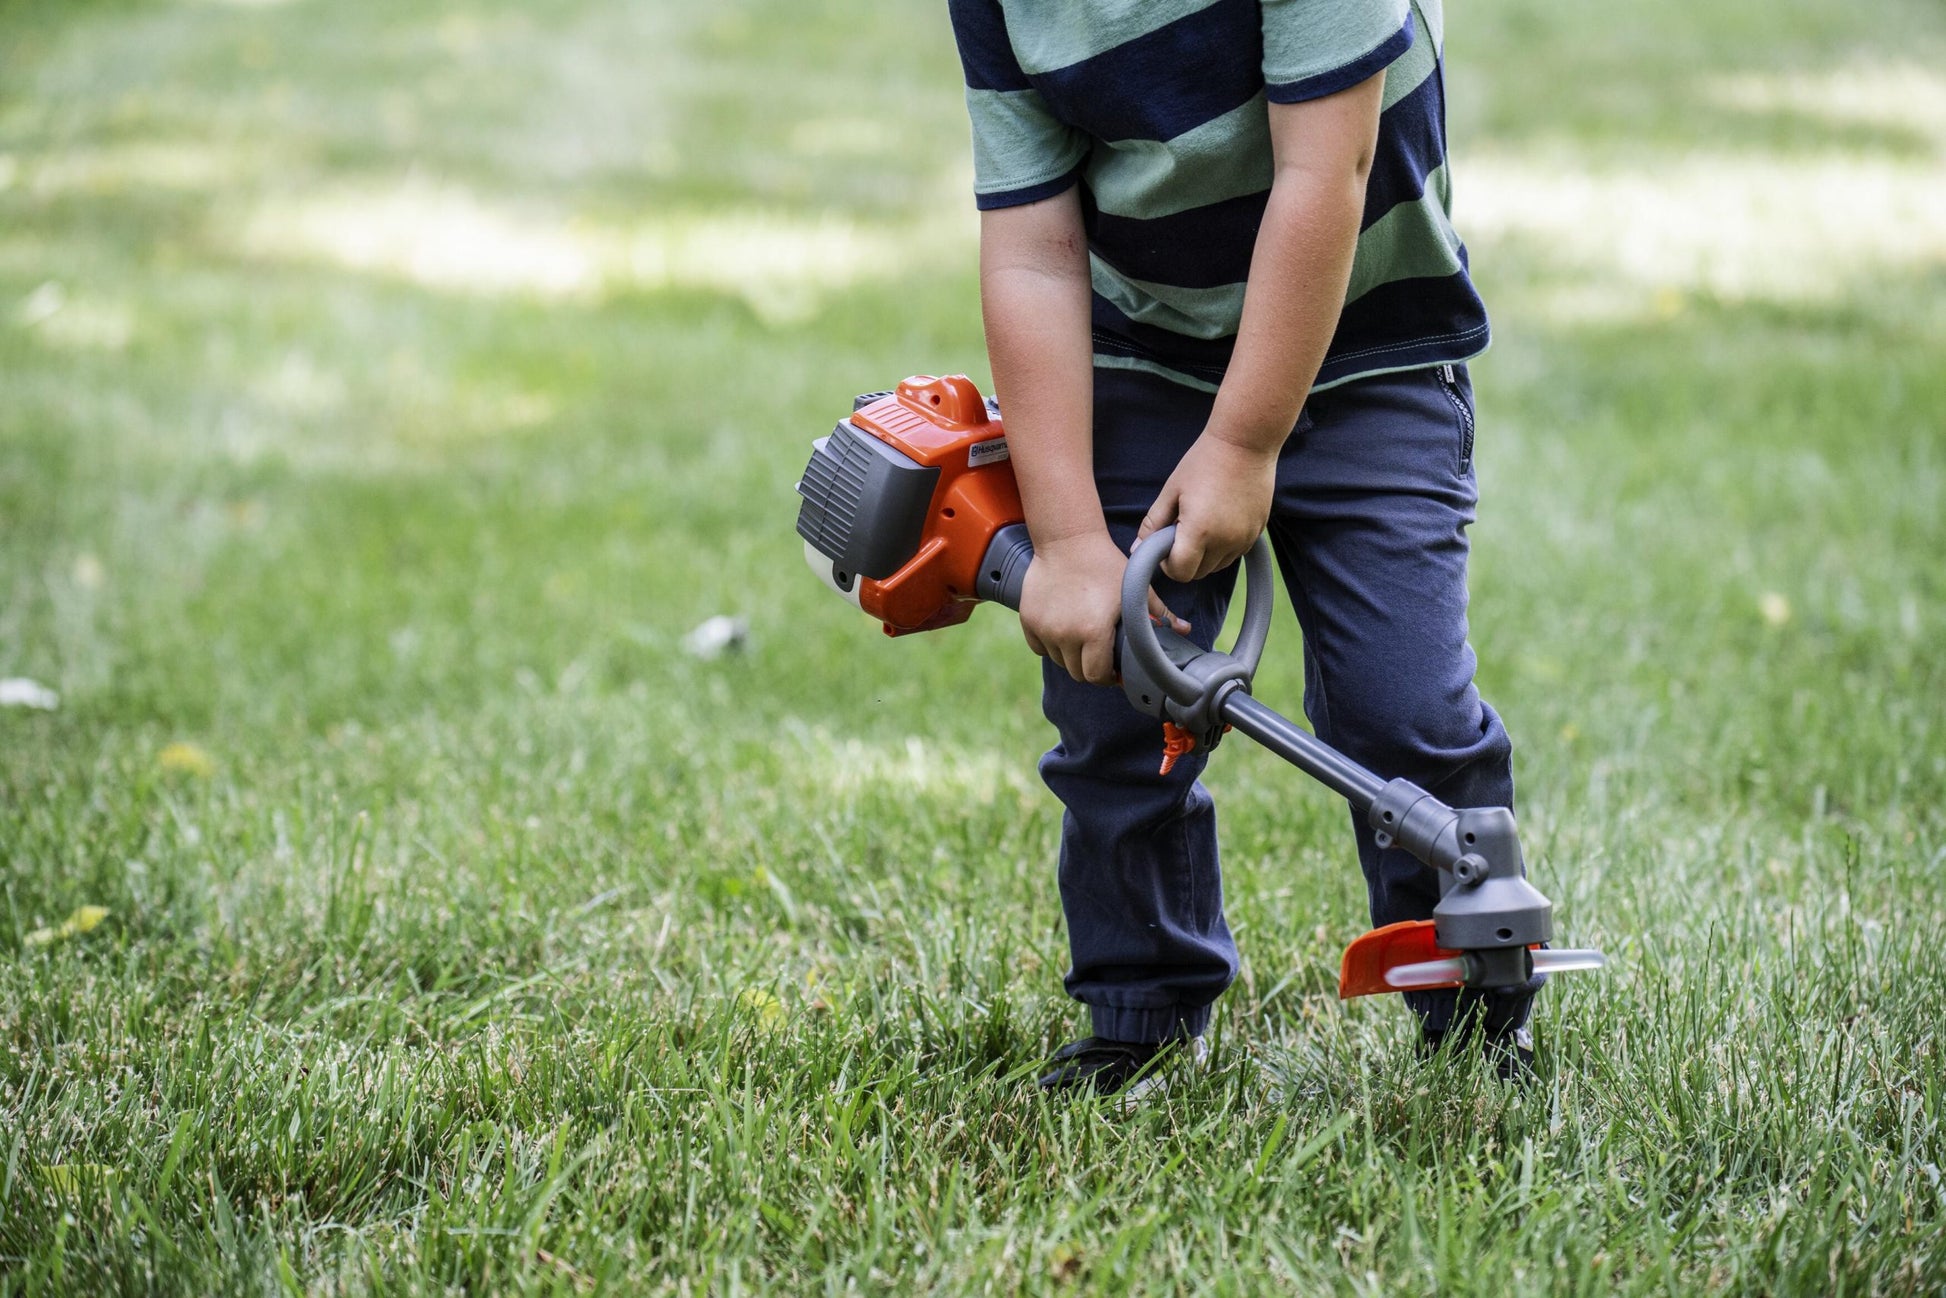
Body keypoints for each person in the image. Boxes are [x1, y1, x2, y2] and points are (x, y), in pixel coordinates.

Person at [945, 0, 1543, 1097]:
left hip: (1373, 349)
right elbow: (1033, 246)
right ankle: (1140, 1010)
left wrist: (1242, 437)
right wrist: (1073, 538)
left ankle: (1473, 1012)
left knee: (1398, 709)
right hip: (1148, 354)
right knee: (1116, 699)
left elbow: (1327, 167)